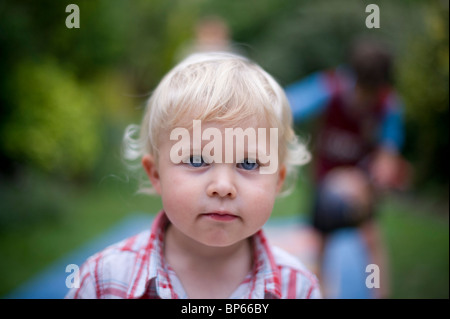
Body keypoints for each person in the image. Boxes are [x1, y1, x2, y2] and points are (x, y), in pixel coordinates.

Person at [65, 51, 321, 299]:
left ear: (278, 180)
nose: (222, 186)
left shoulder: (298, 289)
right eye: (197, 160)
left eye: (248, 163)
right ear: (155, 174)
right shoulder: (104, 281)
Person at [285, 39, 410, 298]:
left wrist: (374, 177)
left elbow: (387, 155)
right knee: (321, 245)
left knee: (371, 240)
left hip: (361, 186)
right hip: (324, 181)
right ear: (352, 77)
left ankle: (380, 294)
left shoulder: (388, 106)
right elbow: (286, 107)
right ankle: (322, 293)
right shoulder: (328, 88)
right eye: (362, 90)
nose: (365, 99)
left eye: (372, 92)